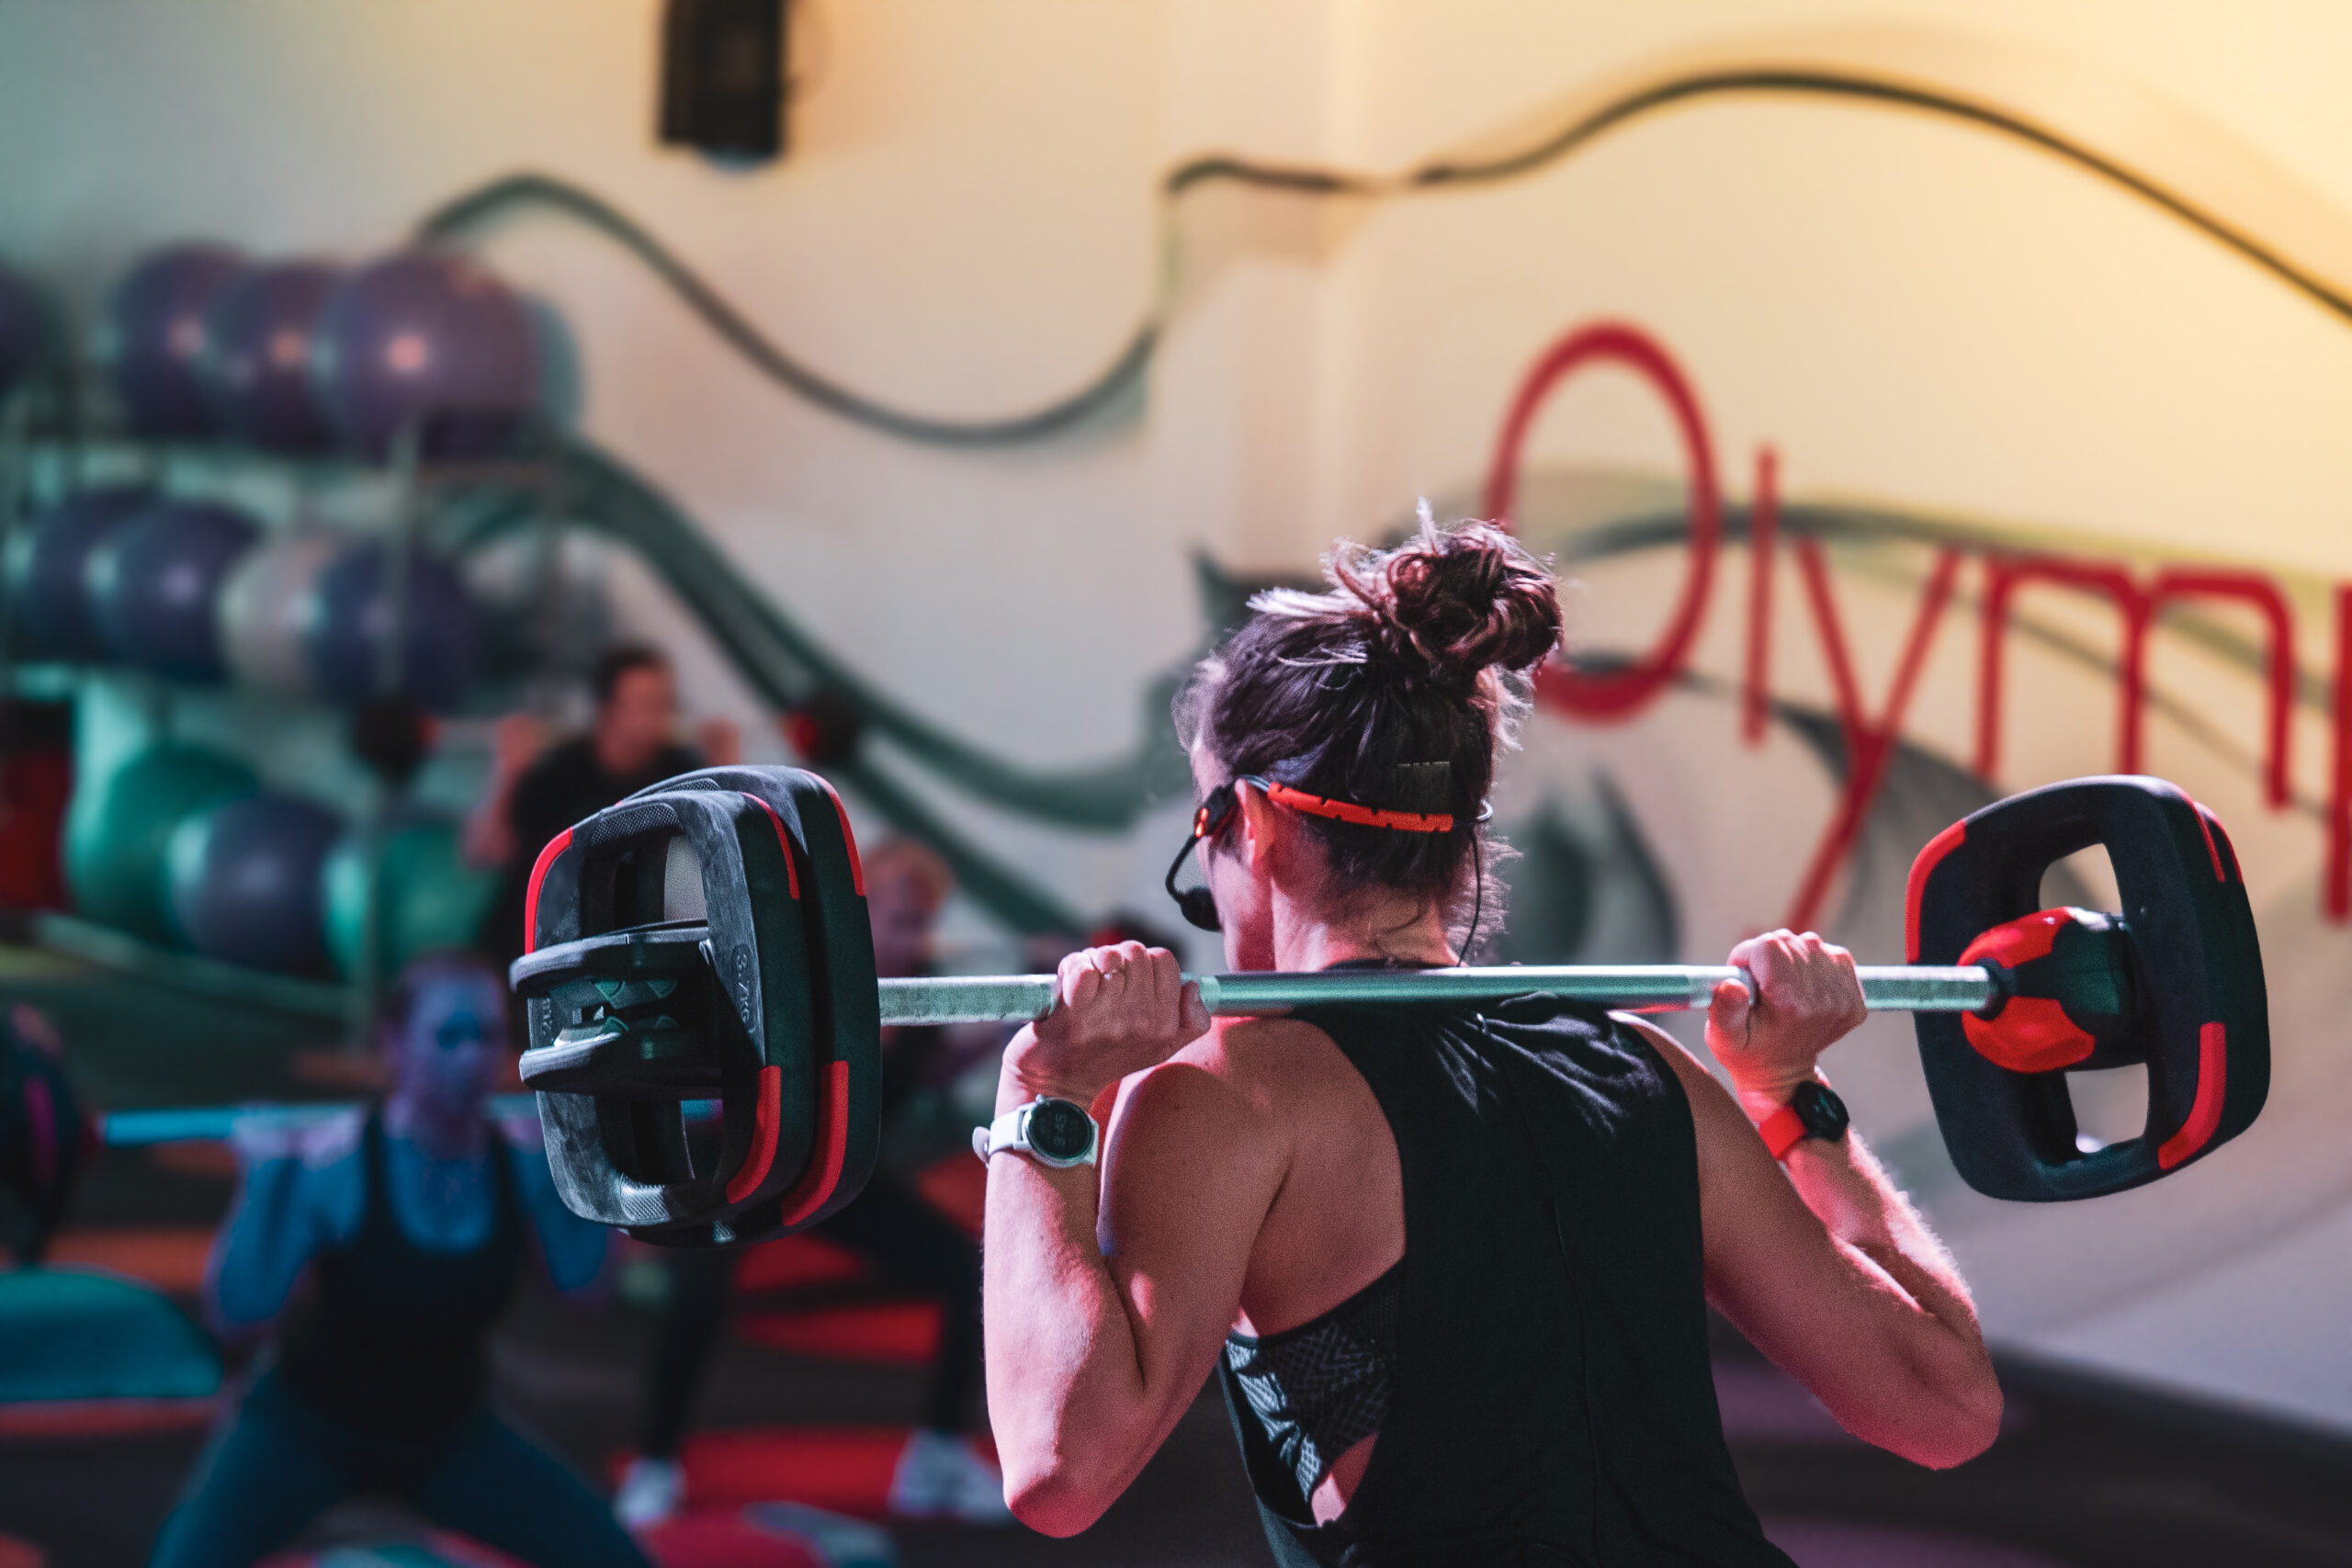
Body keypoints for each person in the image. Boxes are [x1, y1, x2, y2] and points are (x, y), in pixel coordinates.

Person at [978, 517, 2003, 1564]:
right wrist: (1793, 1095)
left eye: (1209, 830)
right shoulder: (1649, 1074)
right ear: (1465, 826)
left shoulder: (1234, 1098)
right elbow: (1943, 1408)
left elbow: (1059, 1470)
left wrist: (1044, 1097)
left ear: (1256, 824)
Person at [147, 953, 650, 1568]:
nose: (472, 1059)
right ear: (393, 1043)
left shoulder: (520, 1164)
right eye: (448, 1036)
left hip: (449, 1433)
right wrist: (262, 1181)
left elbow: (586, 1291)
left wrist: (592, 1160)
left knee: (616, 1560)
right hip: (305, 1431)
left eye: (488, 1035)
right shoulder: (334, 1165)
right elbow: (237, 1316)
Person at [614, 836, 1009, 1529]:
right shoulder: (806, 982)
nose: (913, 936)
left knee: (964, 1270)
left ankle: (937, 1456)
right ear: (855, 919)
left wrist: (1019, 1010)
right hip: (747, 1164)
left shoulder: (913, 996)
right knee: (698, 1297)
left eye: (921, 923)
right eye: (899, 920)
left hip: (837, 1176)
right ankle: (655, 1458)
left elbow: (928, 1073)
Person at [468, 642, 741, 968]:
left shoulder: (680, 776)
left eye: (663, 704)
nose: (655, 717)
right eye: (642, 703)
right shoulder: (558, 774)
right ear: (606, 709)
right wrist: (509, 771)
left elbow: (727, 869)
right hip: (542, 955)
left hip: (638, 958)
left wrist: (726, 768)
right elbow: (484, 853)